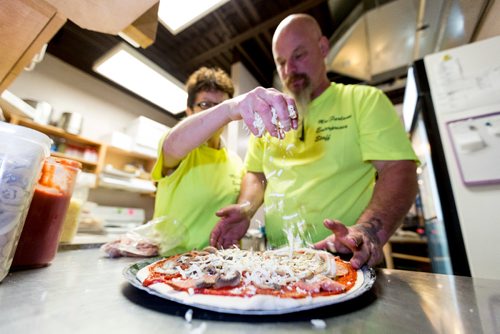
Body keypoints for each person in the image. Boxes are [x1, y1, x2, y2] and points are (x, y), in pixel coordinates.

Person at [210, 14, 419, 269]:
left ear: (322, 48)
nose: (289, 70)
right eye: (282, 62)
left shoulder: (363, 100)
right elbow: (256, 174)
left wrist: (368, 231)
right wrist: (245, 208)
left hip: (347, 258)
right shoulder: (271, 115)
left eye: (299, 56)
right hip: (281, 261)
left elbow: (398, 169)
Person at [151, 66, 298, 255]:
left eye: (219, 104)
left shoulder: (236, 163)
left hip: (216, 268)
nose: (213, 112)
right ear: (189, 110)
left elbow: (253, 189)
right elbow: (172, 144)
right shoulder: (179, 148)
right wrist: (229, 108)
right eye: (205, 105)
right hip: (167, 266)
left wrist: (245, 209)